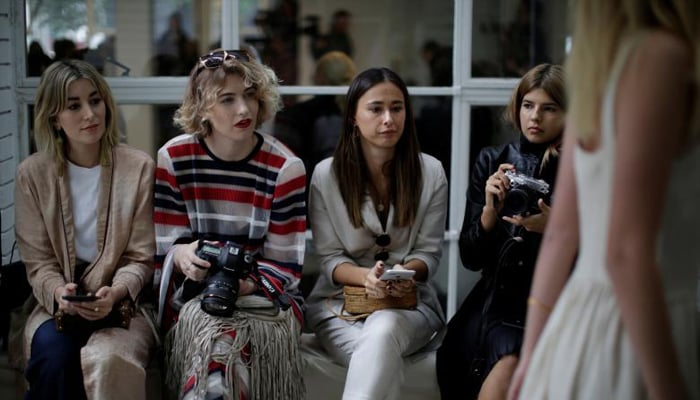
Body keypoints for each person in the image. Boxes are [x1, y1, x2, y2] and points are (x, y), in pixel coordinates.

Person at [508, 1, 700, 399]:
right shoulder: (662, 58)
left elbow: (562, 232)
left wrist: (532, 357)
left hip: (580, 325)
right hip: (638, 327)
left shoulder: (600, 68)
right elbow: (625, 252)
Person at [154, 49, 307, 400]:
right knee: (216, 344)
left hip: (265, 299)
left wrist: (241, 286)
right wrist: (183, 256)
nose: (244, 109)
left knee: (222, 347)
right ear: (201, 107)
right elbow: (163, 251)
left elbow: (286, 268)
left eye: (251, 95)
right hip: (193, 298)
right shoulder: (174, 160)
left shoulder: (285, 168)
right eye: (227, 99)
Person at [14, 59, 156, 399]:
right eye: (74, 106)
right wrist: (60, 293)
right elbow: (39, 262)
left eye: (95, 100)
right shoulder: (32, 174)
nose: (90, 114)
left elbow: (141, 257)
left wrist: (116, 292)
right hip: (58, 304)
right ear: (54, 117)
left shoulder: (138, 168)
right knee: (53, 357)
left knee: (110, 361)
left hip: (124, 304)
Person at [305, 67, 448, 400]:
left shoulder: (431, 171)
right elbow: (328, 258)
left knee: (383, 328)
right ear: (354, 115)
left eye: (397, 108)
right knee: (379, 354)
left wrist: (405, 274)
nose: (389, 119)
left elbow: (429, 254)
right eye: (376, 108)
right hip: (338, 306)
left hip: (409, 307)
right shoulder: (326, 175)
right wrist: (367, 278)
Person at [436, 63, 566, 400]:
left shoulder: (579, 168)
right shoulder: (493, 161)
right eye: (528, 105)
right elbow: (470, 257)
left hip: (552, 298)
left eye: (549, 108)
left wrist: (555, 228)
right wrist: (490, 212)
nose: (535, 117)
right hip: (497, 297)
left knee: (508, 364)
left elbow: (599, 258)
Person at [274, 50, 357, 190]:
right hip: (351, 192)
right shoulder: (360, 115)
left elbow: (284, 165)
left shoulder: (296, 115)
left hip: (309, 192)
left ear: (320, 77)